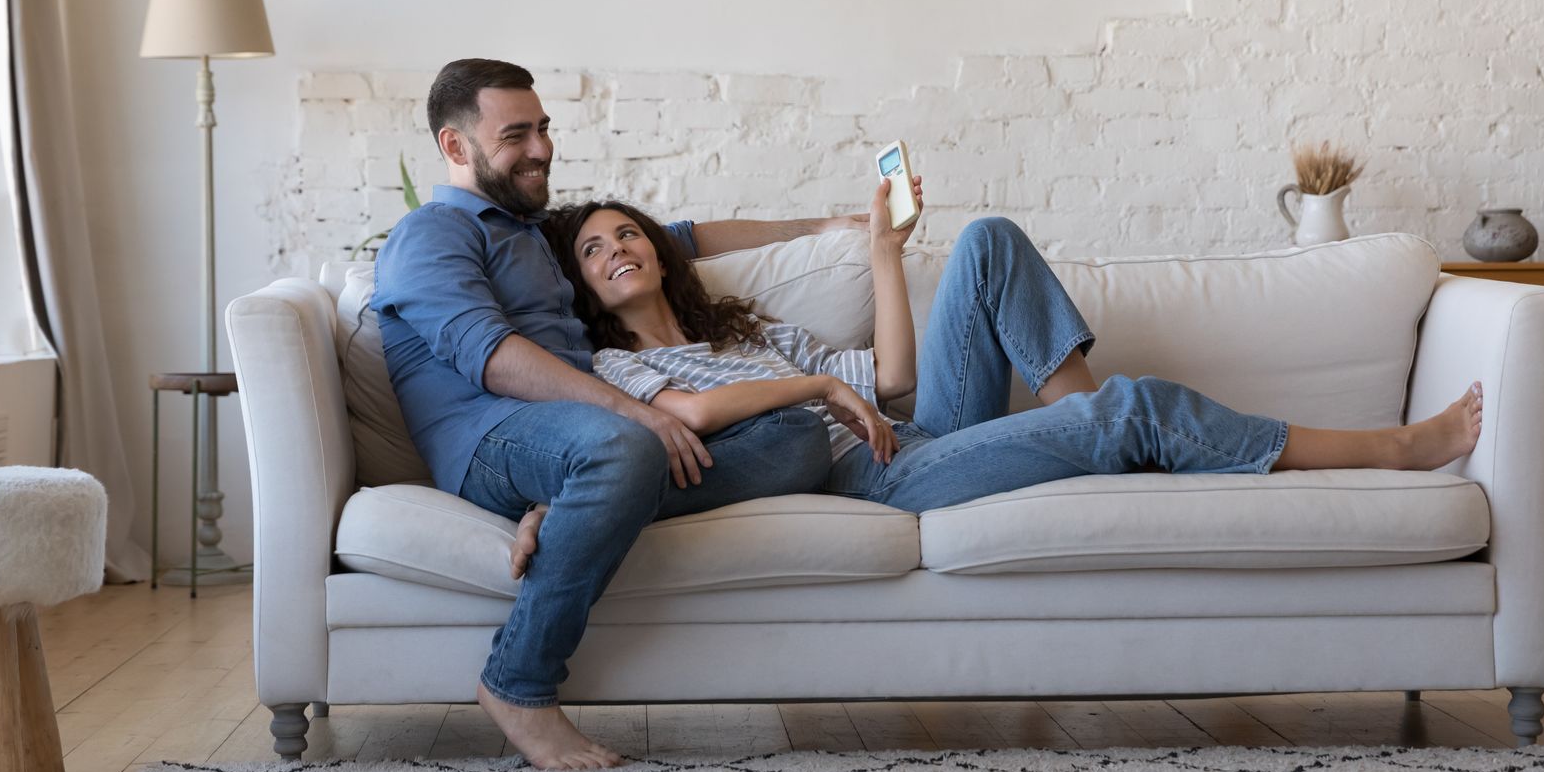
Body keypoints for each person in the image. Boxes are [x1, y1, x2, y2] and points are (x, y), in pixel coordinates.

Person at [372, 58, 862, 771]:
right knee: (624, 448)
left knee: (793, 434)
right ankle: (517, 682)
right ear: (455, 148)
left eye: (543, 128)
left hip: (574, 436)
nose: (541, 148)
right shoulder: (432, 233)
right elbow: (493, 358)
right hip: (490, 435)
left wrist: (827, 224)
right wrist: (631, 414)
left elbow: (683, 238)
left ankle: (576, 506)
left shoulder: (536, 232)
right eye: (516, 135)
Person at [548, 180, 1484, 519]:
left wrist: (882, 251)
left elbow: (901, 380)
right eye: (593, 250)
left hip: (915, 435)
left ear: (661, 254)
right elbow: (691, 418)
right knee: (1141, 406)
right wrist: (812, 391)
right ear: (585, 288)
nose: (615, 250)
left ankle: (1081, 420)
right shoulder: (621, 369)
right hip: (869, 476)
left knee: (990, 238)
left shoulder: (743, 327)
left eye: (626, 234)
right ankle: (1395, 445)